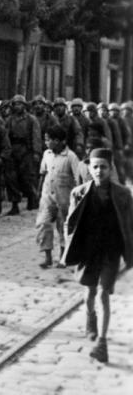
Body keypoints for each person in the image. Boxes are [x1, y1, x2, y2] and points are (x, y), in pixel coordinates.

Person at [63, 148, 133, 364]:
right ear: (89, 169)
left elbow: (130, 225)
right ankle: (90, 317)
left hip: (110, 251)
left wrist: (129, 254)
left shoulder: (123, 194)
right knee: (90, 292)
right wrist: (69, 249)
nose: (99, 171)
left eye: (103, 167)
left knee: (103, 293)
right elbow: (70, 224)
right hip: (88, 251)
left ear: (110, 168)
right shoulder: (79, 192)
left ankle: (102, 343)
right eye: (95, 167)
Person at [36, 125, 84, 269]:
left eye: (48, 140)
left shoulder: (71, 157)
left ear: (58, 141)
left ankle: (63, 256)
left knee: (64, 227)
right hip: (47, 197)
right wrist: (39, 191)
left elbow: (78, 179)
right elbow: (43, 173)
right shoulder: (47, 154)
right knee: (43, 224)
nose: (46, 142)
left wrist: (78, 199)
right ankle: (48, 257)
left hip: (65, 199)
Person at [4, 94, 43, 215]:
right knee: (12, 178)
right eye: (15, 104)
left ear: (24, 106)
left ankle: (32, 198)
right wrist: (6, 151)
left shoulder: (31, 119)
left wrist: (36, 152)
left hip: (27, 151)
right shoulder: (9, 120)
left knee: (27, 177)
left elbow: (36, 136)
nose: (18, 106)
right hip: (13, 150)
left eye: (20, 104)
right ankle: (14, 203)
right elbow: (5, 136)